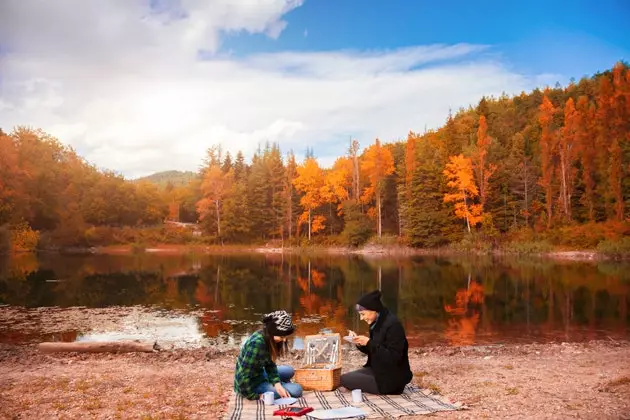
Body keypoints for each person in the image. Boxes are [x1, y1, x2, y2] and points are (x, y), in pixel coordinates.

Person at [340, 290, 413, 395]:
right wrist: (359, 343)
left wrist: (369, 343)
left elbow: (393, 357)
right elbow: (375, 350)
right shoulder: (377, 322)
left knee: (344, 379)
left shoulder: (393, 325)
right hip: (379, 370)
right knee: (346, 377)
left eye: (363, 314)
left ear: (374, 310)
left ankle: (383, 389)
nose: (361, 318)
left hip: (392, 380)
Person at [233, 310, 303, 400]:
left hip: (260, 374)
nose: (284, 340)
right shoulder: (256, 344)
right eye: (282, 337)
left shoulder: (269, 338)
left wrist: (277, 383)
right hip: (251, 383)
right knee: (297, 390)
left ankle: (279, 384)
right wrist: (255, 396)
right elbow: (242, 376)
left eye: (285, 336)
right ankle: (280, 385)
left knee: (289, 371)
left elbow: (270, 364)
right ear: (272, 332)